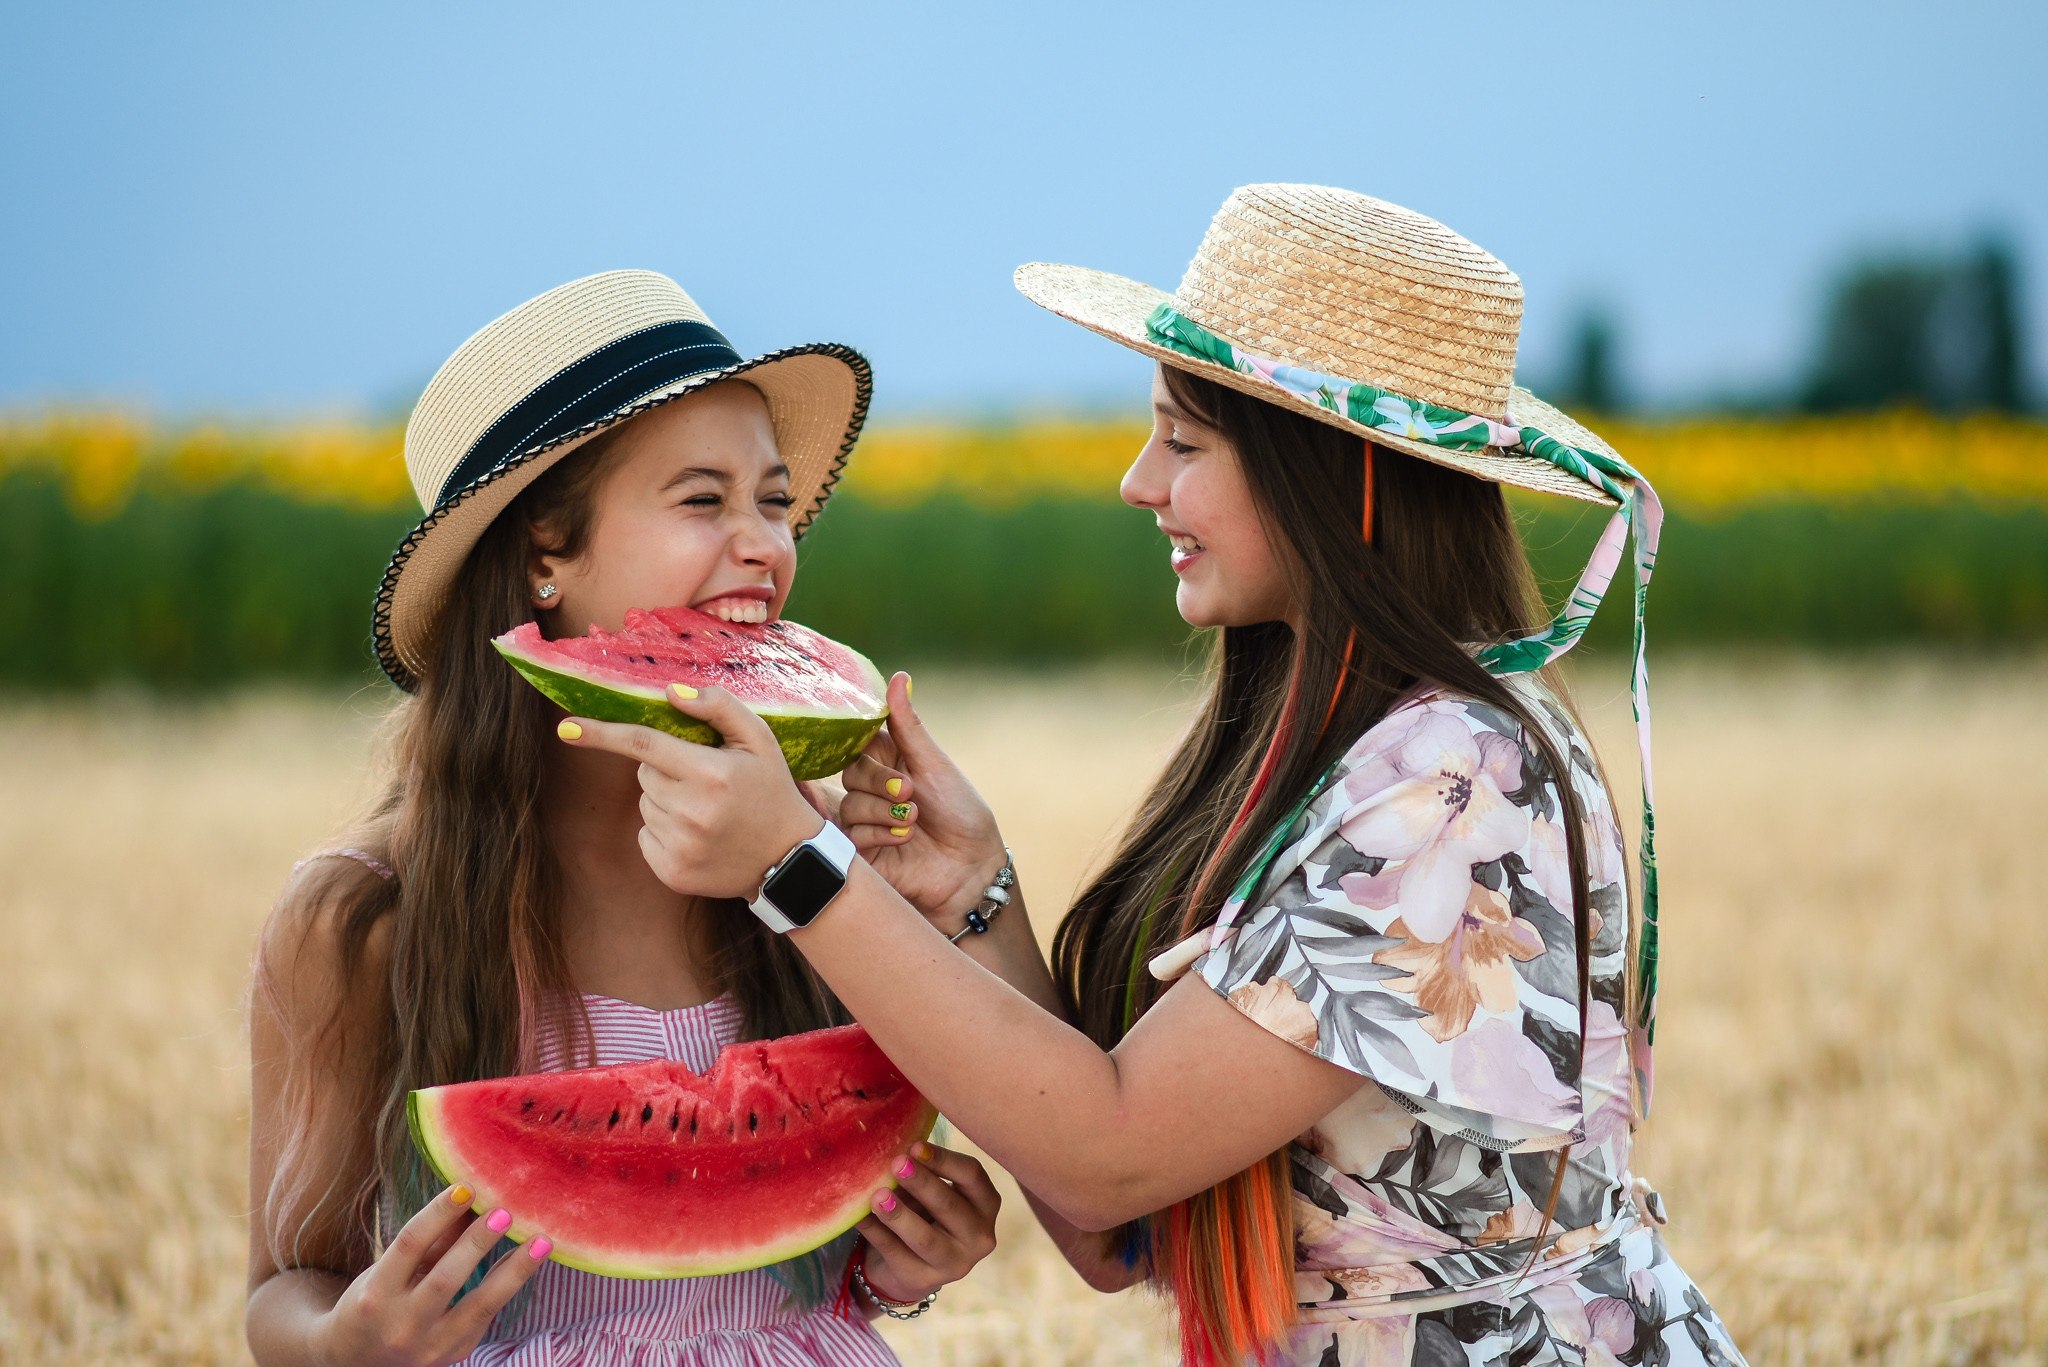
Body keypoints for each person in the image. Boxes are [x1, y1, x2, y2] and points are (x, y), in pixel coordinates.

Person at [558, 188, 1749, 1367]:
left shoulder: (1457, 778)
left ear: (1328, 473)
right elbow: (1113, 1227)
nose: (1138, 479)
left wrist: (798, 868)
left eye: (1184, 440)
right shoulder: (1343, 740)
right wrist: (976, 894)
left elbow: (1106, 1152)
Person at [245, 270, 1000, 1367]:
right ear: (546, 555)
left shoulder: (820, 865)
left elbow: (827, 1241)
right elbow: (282, 1282)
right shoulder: (366, 911)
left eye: (774, 501)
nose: (764, 545)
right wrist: (337, 1344)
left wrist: (903, 1258)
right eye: (703, 500)